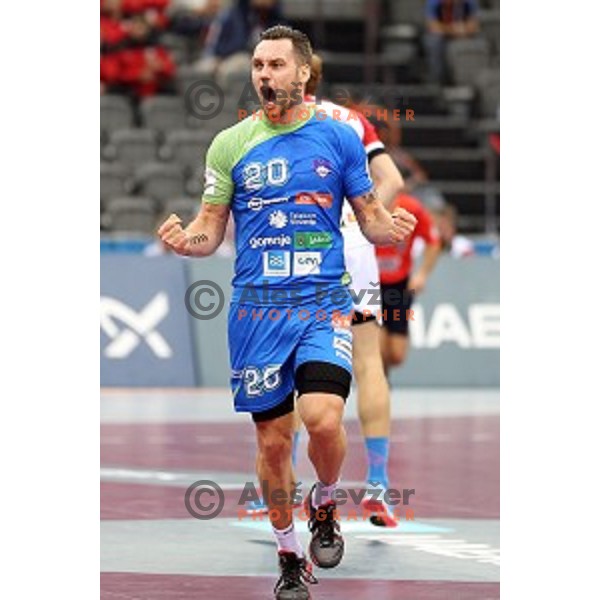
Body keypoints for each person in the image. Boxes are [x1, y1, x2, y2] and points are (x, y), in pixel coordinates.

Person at [158, 25, 416, 600]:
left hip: (323, 301)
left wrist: (388, 230)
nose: (265, 75)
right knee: (273, 442)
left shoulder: (340, 138)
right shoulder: (230, 144)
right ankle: (289, 555)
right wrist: (185, 242)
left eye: (276, 65)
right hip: (256, 313)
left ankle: (324, 502)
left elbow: (369, 216)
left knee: (324, 419)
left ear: (303, 73)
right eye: (257, 65)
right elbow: (209, 229)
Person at [245, 52, 407, 526]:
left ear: (296, 75)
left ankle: (283, 483)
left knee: (294, 366)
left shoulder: (273, 125)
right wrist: (362, 217)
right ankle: (377, 486)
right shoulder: (350, 121)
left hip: (303, 250)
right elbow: (390, 180)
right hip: (355, 247)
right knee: (368, 362)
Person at [376, 193, 442, 370]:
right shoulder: (364, 206)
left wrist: (422, 274)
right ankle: (379, 382)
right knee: (377, 346)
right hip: (370, 285)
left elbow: (433, 241)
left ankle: (381, 376)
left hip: (400, 286)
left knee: (397, 354)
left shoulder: (411, 208)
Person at [424, 0, 480, 84]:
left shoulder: (469, 2)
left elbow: (473, 25)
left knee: (478, 41)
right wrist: (453, 30)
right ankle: (438, 81)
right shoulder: (434, 2)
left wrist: (463, 30)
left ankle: (471, 80)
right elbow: (433, 26)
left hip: (463, 33)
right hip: (442, 35)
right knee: (434, 42)